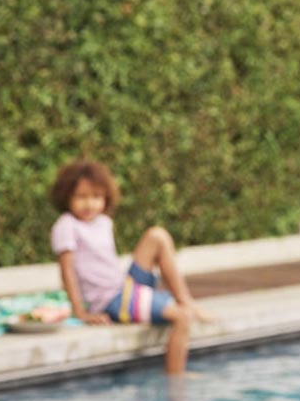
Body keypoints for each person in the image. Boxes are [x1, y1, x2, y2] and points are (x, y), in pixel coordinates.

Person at [50, 159, 209, 375]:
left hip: (123, 288)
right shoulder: (67, 225)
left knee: (157, 236)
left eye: (96, 197)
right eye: (81, 197)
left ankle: (186, 300)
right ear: (66, 196)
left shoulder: (104, 222)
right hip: (111, 300)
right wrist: (80, 312)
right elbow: (67, 271)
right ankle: (176, 380)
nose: (89, 204)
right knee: (182, 318)